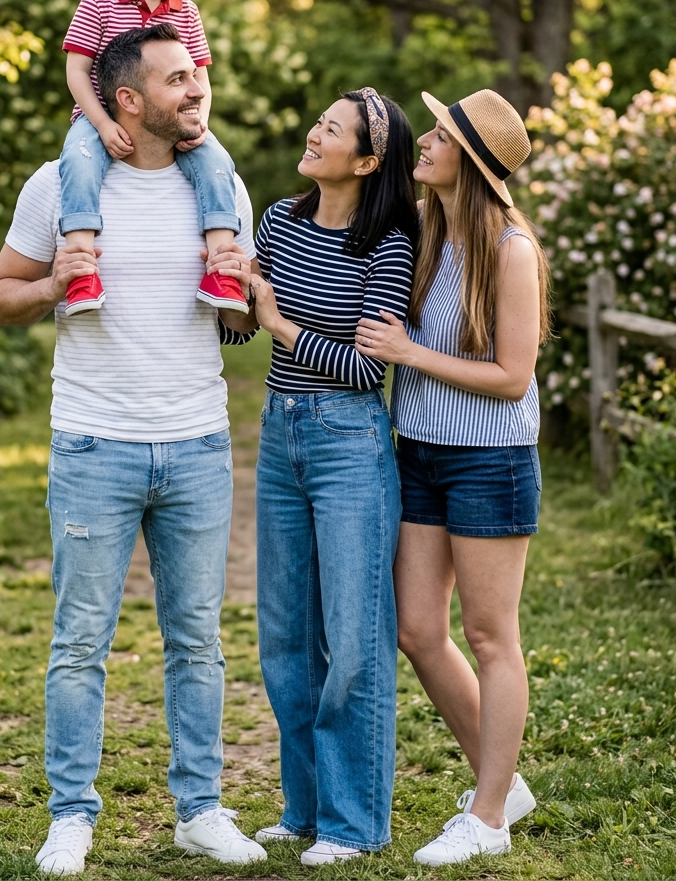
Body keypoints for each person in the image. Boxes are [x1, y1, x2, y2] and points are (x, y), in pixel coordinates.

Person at [0, 23, 266, 875]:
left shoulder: (220, 187)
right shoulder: (59, 185)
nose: (196, 90)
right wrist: (54, 283)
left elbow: (240, 322)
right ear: (129, 101)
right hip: (94, 443)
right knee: (79, 642)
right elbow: (2, 297)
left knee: (198, 640)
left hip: (196, 445)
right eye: (177, 79)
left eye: (196, 76)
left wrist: (249, 298)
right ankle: (71, 815)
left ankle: (202, 810)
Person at [355, 88, 550, 867]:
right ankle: (500, 785)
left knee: (490, 636)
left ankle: (490, 815)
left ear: (468, 161)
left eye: (438, 136)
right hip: (422, 451)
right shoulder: (430, 231)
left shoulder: (510, 249)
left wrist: (409, 355)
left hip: (492, 458)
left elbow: (512, 375)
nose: (425, 144)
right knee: (418, 630)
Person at [245, 89, 418, 865]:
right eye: (317, 121)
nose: (314, 134)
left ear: (369, 160)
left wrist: (280, 324)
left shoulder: (389, 243)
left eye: (333, 130)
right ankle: (305, 810)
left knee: (353, 640)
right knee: (285, 638)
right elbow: (240, 321)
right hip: (280, 433)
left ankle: (354, 825)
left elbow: (362, 369)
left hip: (349, 441)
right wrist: (228, 288)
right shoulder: (279, 221)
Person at [58, 0, 247, 317]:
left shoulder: (186, 12)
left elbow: (201, 77)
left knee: (217, 162)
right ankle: (82, 268)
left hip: (172, 119)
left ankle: (221, 267)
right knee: (80, 160)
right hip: (100, 116)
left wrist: (197, 124)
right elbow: (76, 71)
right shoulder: (100, 0)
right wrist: (103, 125)